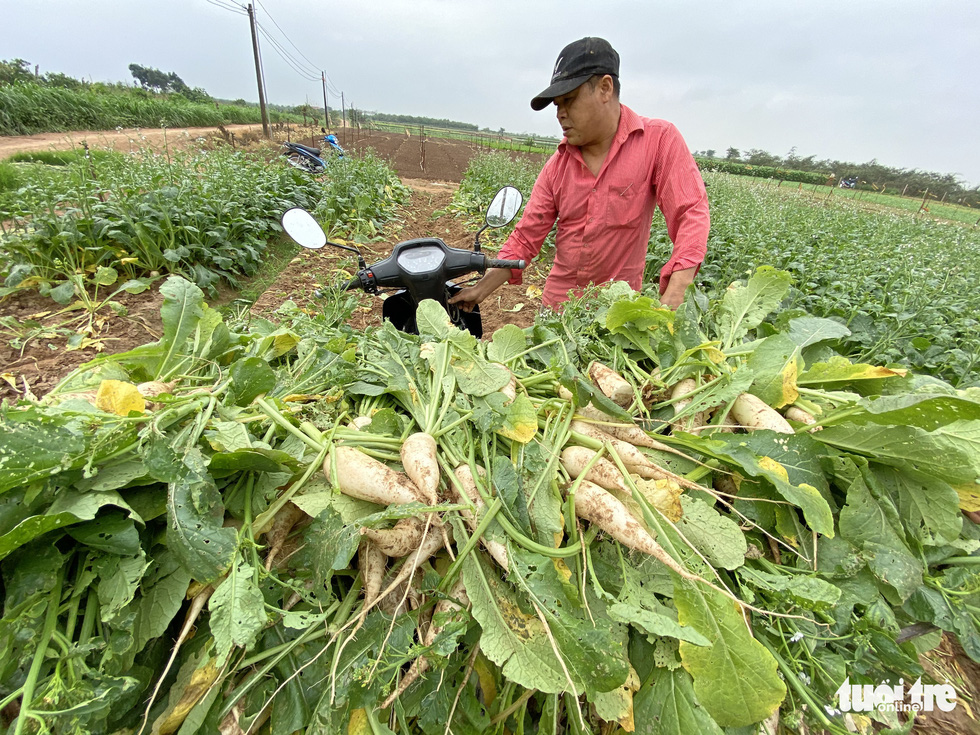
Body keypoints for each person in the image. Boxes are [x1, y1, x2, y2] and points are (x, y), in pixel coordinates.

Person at [449, 37, 709, 312]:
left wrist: (678, 288)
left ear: (605, 88)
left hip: (618, 317)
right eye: (556, 105)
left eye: (568, 101)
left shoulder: (658, 140)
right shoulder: (557, 166)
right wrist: (480, 290)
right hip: (558, 316)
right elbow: (525, 239)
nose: (560, 114)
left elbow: (691, 211)